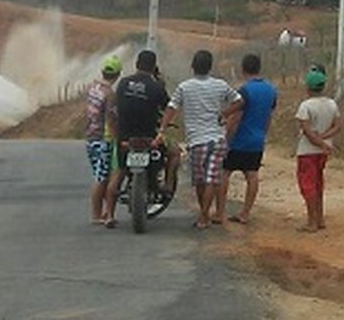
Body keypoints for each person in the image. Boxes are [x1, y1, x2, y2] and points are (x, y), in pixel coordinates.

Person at [158, 50, 243, 229]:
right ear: (210, 67)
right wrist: (224, 114)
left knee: (199, 180)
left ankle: (203, 215)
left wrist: (162, 128)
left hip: (197, 140)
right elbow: (239, 101)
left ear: (192, 67)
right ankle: (204, 215)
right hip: (218, 139)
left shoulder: (184, 87)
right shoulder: (220, 85)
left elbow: (171, 108)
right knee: (212, 178)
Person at [103, 49, 170, 229]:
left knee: (118, 174)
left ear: (136, 64)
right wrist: (162, 130)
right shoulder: (157, 87)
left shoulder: (123, 84)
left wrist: (117, 135)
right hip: (149, 139)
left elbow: (113, 109)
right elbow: (168, 107)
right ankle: (164, 184)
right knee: (173, 154)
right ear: (153, 66)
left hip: (126, 139)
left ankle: (109, 215)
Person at [221, 53, 278, 225]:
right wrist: (262, 134)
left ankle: (219, 211)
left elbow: (235, 117)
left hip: (239, 139)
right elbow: (269, 116)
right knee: (252, 175)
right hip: (257, 140)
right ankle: (245, 213)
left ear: (243, 69)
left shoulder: (244, 91)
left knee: (225, 173)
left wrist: (227, 138)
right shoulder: (271, 90)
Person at [294, 66, 342, 233]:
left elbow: (307, 132)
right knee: (318, 183)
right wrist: (324, 140)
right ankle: (320, 218)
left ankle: (311, 221)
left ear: (308, 87)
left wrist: (318, 141)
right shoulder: (331, 104)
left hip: (307, 152)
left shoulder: (305, 106)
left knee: (307, 186)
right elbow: (338, 126)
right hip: (323, 152)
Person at [85, 56, 122, 225]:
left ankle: (104, 212)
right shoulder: (110, 94)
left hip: (90, 137)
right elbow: (111, 119)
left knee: (100, 174)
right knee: (102, 177)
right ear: (118, 74)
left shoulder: (93, 88)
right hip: (103, 138)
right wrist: (116, 138)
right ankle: (96, 214)